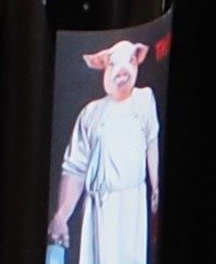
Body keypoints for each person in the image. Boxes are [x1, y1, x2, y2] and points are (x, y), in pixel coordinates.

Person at [49, 37, 160, 264]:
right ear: (102, 65)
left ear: (137, 61)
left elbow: (151, 141)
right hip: (100, 208)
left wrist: (156, 185)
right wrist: (61, 216)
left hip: (131, 204)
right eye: (113, 63)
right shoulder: (91, 113)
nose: (122, 71)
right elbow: (75, 168)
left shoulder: (144, 100)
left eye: (129, 60)